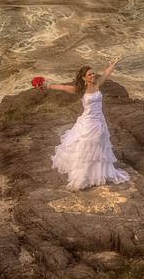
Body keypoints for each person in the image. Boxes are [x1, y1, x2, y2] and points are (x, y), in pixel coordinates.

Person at [45, 59, 130, 190]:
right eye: (89, 74)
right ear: (84, 78)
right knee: (86, 147)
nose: (93, 76)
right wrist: (47, 86)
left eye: (93, 73)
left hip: (99, 120)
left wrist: (114, 63)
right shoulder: (80, 90)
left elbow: (106, 73)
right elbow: (63, 87)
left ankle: (97, 174)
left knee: (99, 147)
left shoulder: (98, 84)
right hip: (88, 122)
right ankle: (82, 176)